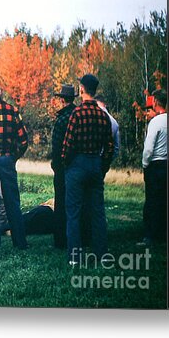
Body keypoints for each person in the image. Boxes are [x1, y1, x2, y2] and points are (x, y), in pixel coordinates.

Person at [61, 74, 114, 265]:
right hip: (95, 164)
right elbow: (109, 145)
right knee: (98, 211)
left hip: (77, 164)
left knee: (73, 212)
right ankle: (101, 253)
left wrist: (66, 163)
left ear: (82, 89)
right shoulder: (103, 116)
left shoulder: (77, 114)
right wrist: (102, 165)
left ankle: (75, 256)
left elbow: (67, 145)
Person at [0, 80, 29, 250]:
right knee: (12, 201)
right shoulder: (12, 110)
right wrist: (13, 157)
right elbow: (24, 140)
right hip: (7, 159)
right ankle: (20, 242)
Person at [80, 93, 121, 247]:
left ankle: (86, 233)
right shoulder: (114, 122)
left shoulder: (93, 117)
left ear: (97, 103)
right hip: (101, 164)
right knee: (97, 201)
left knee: (84, 199)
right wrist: (105, 164)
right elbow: (115, 148)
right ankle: (98, 237)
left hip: (87, 161)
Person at [138, 89, 168, 246]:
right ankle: (164, 233)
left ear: (156, 102)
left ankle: (149, 235)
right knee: (165, 200)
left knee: (151, 201)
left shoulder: (156, 122)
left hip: (155, 164)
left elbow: (149, 148)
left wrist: (145, 164)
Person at [50, 84, 78, 249]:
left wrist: (55, 165)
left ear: (62, 99)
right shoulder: (78, 115)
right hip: (77, 164)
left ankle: (60, 240)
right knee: (76, 202)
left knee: (60, 202)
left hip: (62, 166)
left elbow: (56, 146)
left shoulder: (61, 119)